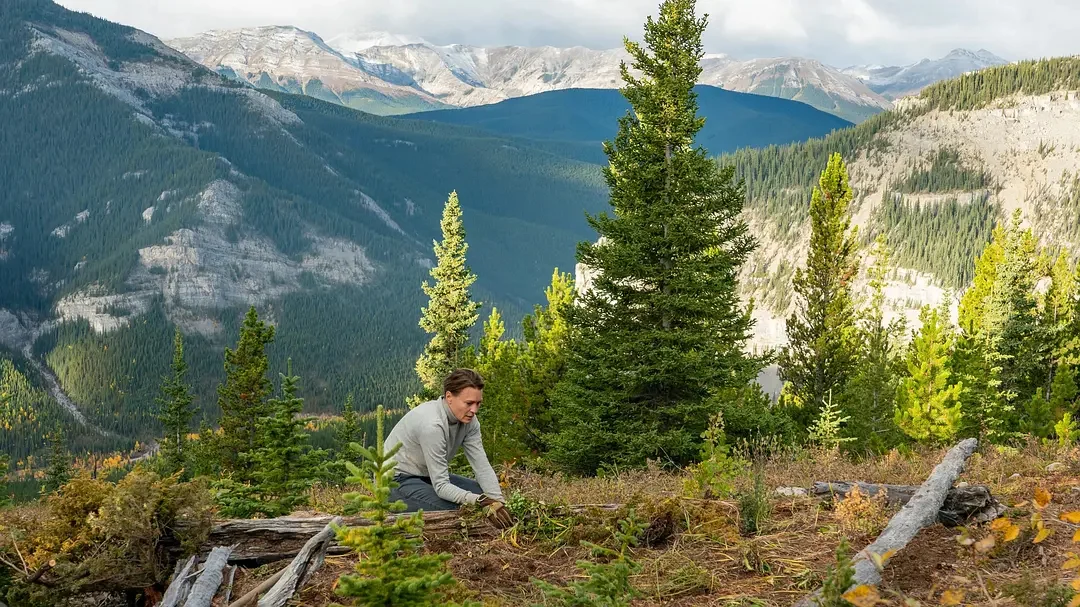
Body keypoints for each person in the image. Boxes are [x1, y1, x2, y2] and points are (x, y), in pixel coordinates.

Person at [385, 368, 515, 528]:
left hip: (426, 477)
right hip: (395, 482)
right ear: (449, 397)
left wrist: (499, 502)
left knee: (484, 493)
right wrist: (479, 501)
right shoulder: (432, 425)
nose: (474, 410)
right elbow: (441, 486)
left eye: (478, 403)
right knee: (466, 508)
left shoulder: (470, 422)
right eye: (468, 403)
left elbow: (482, 467)